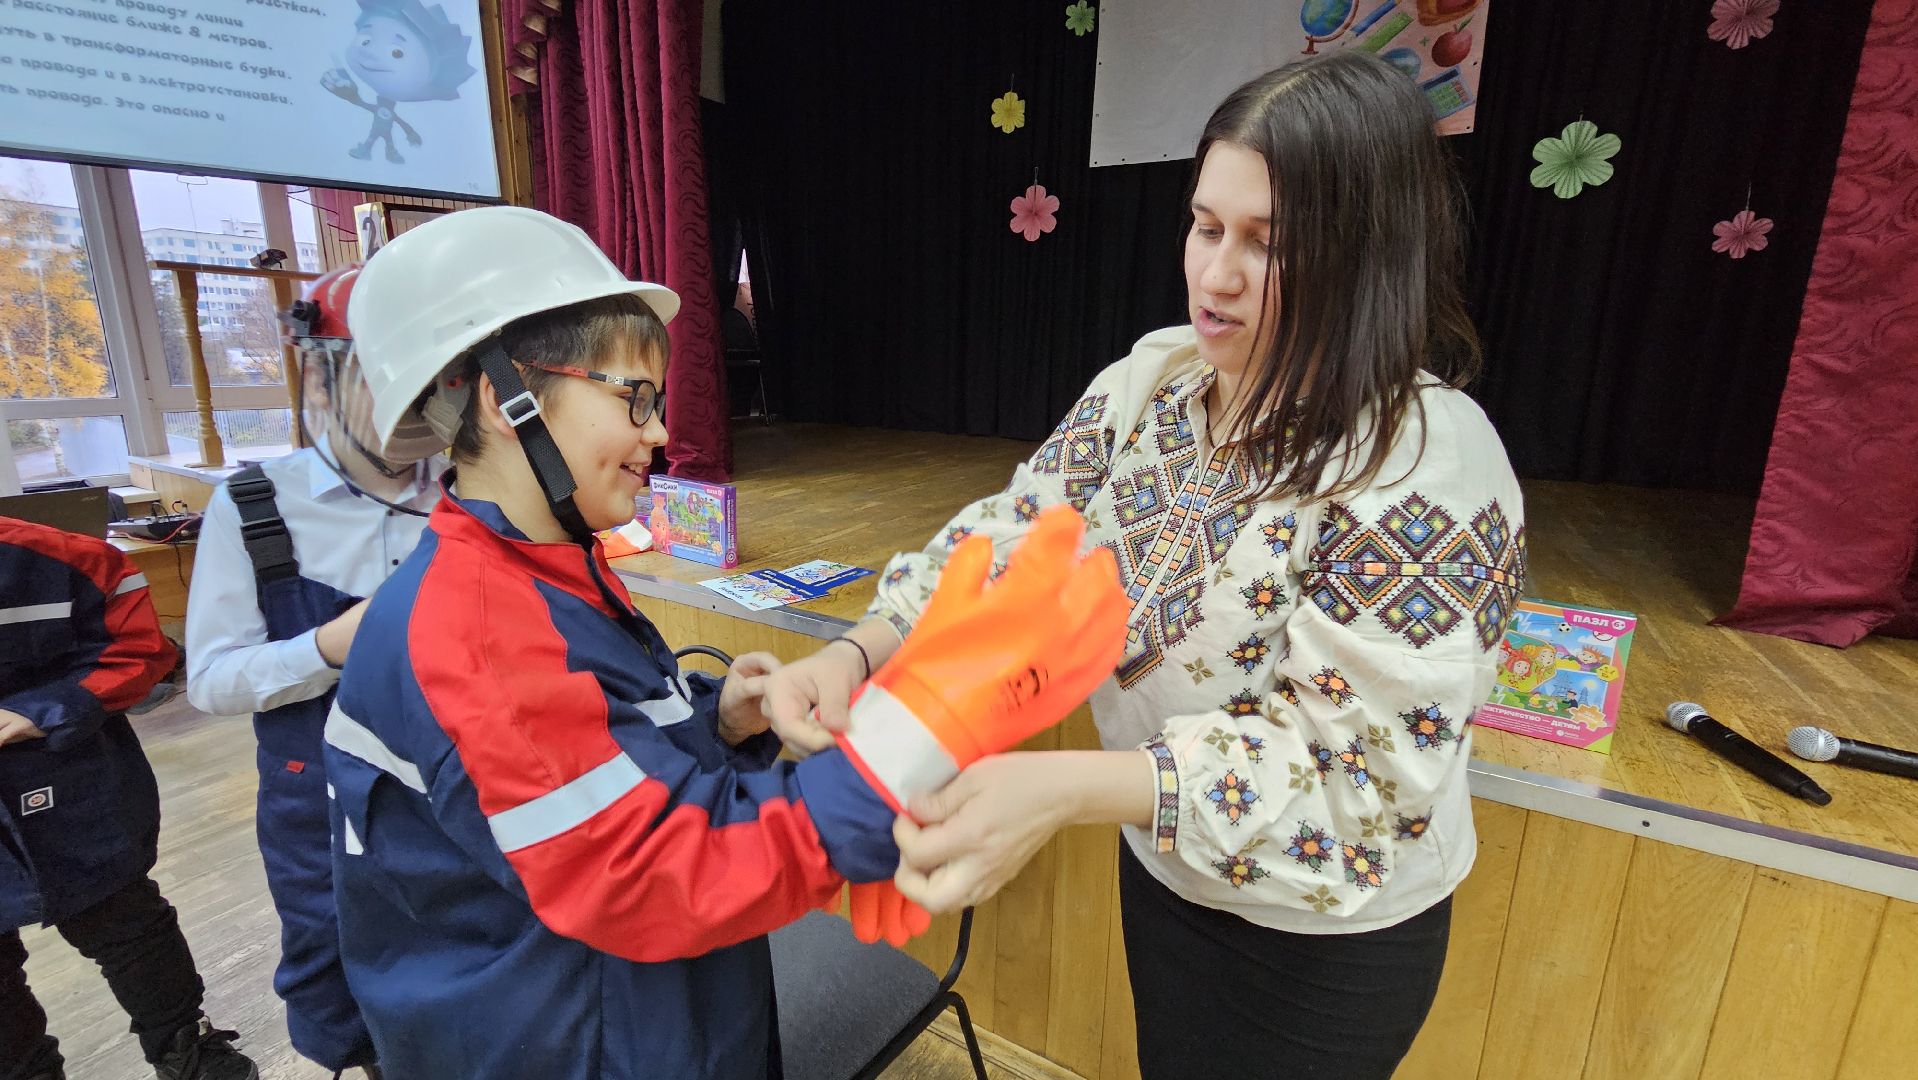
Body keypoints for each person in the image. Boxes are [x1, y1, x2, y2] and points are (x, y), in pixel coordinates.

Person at [763, 52, 1527, 1078]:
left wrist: (1066, 788)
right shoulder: (1154, 383)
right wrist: (862, 650)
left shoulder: (1423, 459)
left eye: (1268, 244)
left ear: (1366, 257)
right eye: (1206, 227)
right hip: (1170, 864)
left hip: (1324, 938)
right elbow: (1010, 533)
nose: (1216, 276)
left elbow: (1359, 779)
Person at [323, 206, 1119, 1080]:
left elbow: (593, 767)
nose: (659, 433)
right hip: (580, 1044)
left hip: (643, 1015)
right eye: (633, 398)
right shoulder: (474, 630)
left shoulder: (541, 567)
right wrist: (912, 740)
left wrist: (721, 730)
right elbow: (654, 871)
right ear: (504, 400)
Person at [185, 264, 444, 1080]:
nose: (417, 400)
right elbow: (213, 679)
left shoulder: (482, 492)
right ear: (322, 373)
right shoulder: (256, 506)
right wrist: (330, 647)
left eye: (441, 374)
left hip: (458, 781)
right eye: (389, 371)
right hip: (319, 798)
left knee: (466, 964)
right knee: (348, 976)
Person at [0, 517, 259, 1080]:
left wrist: (40, 712)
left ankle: (189, 1050)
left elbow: (140, 650)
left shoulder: (65, 560)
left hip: (66, 784)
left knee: (127, 925)